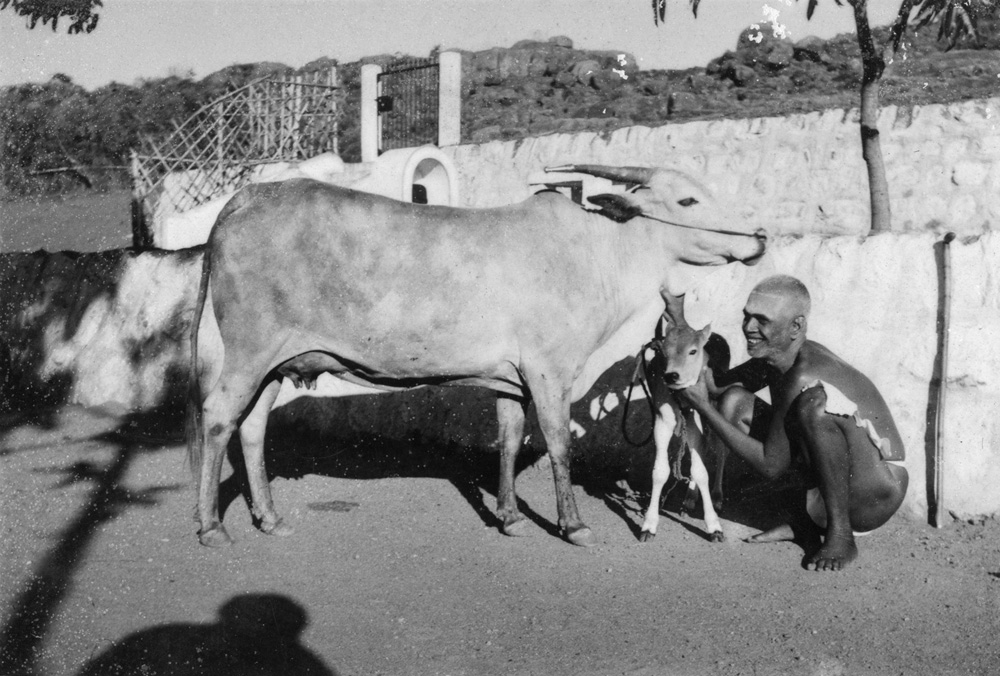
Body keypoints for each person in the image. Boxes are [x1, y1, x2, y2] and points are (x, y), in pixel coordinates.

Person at [678, 274, 908, 571]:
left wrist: (701, 407)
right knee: (735, 401)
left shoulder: (804, 370)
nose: (748, 328)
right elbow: (718, 386)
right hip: (837, 492)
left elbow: (771, 464)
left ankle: (841, 536)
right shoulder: (776, 357)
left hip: (877, 493)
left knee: (813, 407)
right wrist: (686, 350)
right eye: (746, 317)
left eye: (762, 320)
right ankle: (805, 524)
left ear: (795, 326)